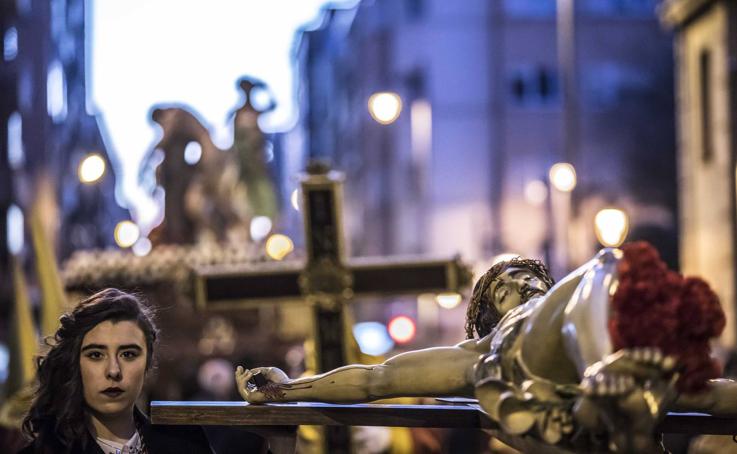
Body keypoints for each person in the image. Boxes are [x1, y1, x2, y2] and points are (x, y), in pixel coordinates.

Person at [237, 243, 736, 452]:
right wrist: (286, 389)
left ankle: (605, 378)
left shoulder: (582, 301)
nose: (521, 287)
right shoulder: (475, 358)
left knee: (699, 392)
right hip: (563, 396)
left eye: (534, 281)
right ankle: (602, 384)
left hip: (603, 366)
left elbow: (711, 395)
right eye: (505, 287)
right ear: (487, 313)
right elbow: (377, 379)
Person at [20, 288, 214, 454]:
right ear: (75, 363)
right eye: (96, 355)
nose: (113, 371)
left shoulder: (186, 444)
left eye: (128, 354)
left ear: (148, 363)